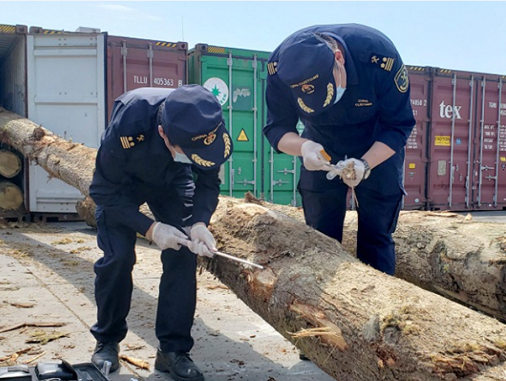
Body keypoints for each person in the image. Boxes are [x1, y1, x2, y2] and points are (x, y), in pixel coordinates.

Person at [89, 84, 233, 381]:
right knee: (117, 258)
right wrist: (151, 229)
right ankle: (107, 340)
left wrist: (199, 224)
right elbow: (102, 191)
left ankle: (172, 350)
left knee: (183, 253)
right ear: (165, 134)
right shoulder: (131, 121)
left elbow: (209, 182)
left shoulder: (207, 122)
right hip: (122, 184)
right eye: (188, 152)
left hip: (171, 180)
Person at [264, 24, 415, 277]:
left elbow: (398, 125)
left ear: (339, 59)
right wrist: (305, 147)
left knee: (377, 234)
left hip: (376, 141)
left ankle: (378, 302)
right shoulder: (280, 69)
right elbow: (276, 129)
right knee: (320, 235)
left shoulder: (380, 58)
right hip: (321, 142)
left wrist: (365, 164)